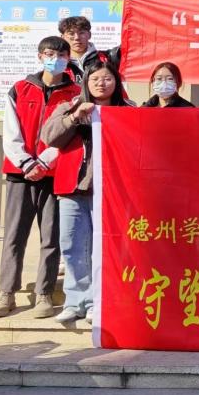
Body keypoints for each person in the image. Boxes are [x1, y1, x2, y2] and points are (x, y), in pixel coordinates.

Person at [0, 37, 80, 319]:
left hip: (54, 174)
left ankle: (44, 293)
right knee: (14, 236)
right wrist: (27, 162)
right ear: (40, 56)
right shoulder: (20, 88)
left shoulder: (76, 93)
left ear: (68, 58)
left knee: (51, 238)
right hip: (20, 173)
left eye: (61, 55)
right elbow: (10, 131)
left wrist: (44, 161)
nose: (55, 59)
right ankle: (7, 293)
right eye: (50, 54)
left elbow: (70, 134)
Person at [41, 61, 133, 323]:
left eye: (107, 79)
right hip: (73, 188)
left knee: (102, 247)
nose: (101, 84)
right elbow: (49, 137)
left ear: (116, 82)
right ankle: (75, 301)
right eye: (95, 79)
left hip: (110, 191)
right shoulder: (68, 107)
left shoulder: (127, 110)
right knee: (71, 245)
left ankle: (97, 301)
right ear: (86, 83)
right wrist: (73, 118)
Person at [58, 15, 121, 84]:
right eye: (71, 33)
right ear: (62, 37)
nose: (77, 37)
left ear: (89, 35)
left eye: (81, 33)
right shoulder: (57, 63)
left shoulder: (109, 57)